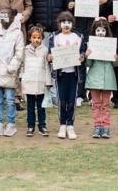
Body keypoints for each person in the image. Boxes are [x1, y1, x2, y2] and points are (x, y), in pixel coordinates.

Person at [28, 0, 70, 108]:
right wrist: (33, 28)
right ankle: (42, 95)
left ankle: (55, 95)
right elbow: (30, 6)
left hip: (57, 32)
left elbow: (65, 8)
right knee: (41, 64)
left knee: (57, 65)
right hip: (41, 31)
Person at [67, 0, 107, 104]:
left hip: (95, 32)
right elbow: (69, 12)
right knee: (80, 62)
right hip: (79, 30)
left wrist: (104, 3)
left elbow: (105, 13)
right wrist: (70, 6)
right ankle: (80, 93)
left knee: (94, 63)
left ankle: (93, 94)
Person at [0, 7, 24, 136]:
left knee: (9, 99)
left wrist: (11, 67)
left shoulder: (17, 33)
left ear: (13, 17)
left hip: (8, 73)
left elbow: (19, 53)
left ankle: (11, 124)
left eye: (7, 15)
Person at [48, 10, 84, 139]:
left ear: (72, 23)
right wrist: (50, 57)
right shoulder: (54, 37)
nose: (66, 25)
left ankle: (70, 124)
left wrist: (82, 57)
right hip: (60, 74)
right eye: (63, 22)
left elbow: (83, 52)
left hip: (73, 74)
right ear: (59, 23)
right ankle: (62, 124)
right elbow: (49, 54)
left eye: (69, 22)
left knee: (71, 100)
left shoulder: (78, 37)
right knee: (61, 100)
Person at [84, 17, 117, 138]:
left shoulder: (111, 44)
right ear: (94, 31)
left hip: (108, 78)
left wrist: (115, 57)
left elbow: (115, 64)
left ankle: (106, 126)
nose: (100, 33)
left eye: (103, 30)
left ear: (106, 31)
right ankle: (97, 126)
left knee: (106, 104)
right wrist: (88, 55)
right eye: (98, 30)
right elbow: (88, 65)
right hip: (94, 79)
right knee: (96, 104)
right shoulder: (91, 45)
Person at [22, 24, 50, 136]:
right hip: (29, 82)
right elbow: (22, 66)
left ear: (42, 38)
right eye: (34, 37)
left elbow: (47, 67)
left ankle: (42, 126)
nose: (36, 40)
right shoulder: (25, 50)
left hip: (41, 82)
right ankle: (30, 126)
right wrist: (22, 79)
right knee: (30, 107)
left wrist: (48, 82)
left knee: (41, 106)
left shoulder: (45, 50)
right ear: (30, 38)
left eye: (39, 38)